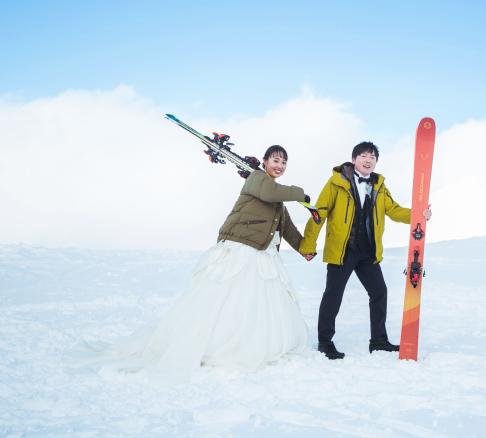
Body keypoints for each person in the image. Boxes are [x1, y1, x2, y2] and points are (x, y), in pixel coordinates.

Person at [62, 145, 315, 385]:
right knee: (226, 299)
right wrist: (301, 194)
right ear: (265, 162)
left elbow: (288, 229)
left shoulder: (279, 201)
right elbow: (272, 192)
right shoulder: (257, 179)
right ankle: (215, 344)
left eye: (284, 162)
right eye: (275, 160)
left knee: (258, 303)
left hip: (263, 256)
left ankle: (257, 344)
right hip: (240, 251)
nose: (279, 165)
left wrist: (305, 249)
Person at [299, 142, 432, 359]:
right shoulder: (335, 183)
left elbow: (393, 210)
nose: (368, 160)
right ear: (354, 160)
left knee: (379, 292)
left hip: (368, 251)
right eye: (364, 156)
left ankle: (378, 340)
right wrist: (308, 246)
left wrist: (418, 214)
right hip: (343, 250)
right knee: (333, 295)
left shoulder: (379, 185)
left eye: (373, 157)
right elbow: (319, 214)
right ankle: (325, 341)